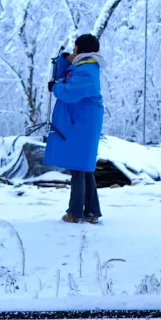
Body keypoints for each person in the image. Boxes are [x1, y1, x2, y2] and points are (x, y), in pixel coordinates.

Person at [43, 33, 105, 223]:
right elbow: (64, 75)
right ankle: (91, 212)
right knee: (83, 167)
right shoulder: (82, 66)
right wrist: (64, 60)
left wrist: (55, 88)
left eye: (75, 47)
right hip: (80, 121)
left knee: (78, 167)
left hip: (81, 123)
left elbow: (70, 92)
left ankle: (75, 212)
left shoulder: (87, 70)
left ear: (81, 48)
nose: (73, 49)